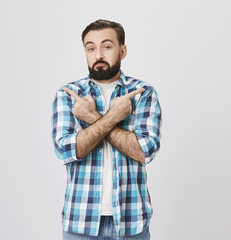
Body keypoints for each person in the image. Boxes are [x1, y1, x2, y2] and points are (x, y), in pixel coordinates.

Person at [51, 20, 162, 240]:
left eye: (107, 46)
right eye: (91, 48)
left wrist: (92, 117)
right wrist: (114, 117)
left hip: (132, 222)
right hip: (80, 223)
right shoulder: (69, 94)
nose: (98, 54)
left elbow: (145, 150)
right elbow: (66, 150)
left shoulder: (142, 93)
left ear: (122, 50)